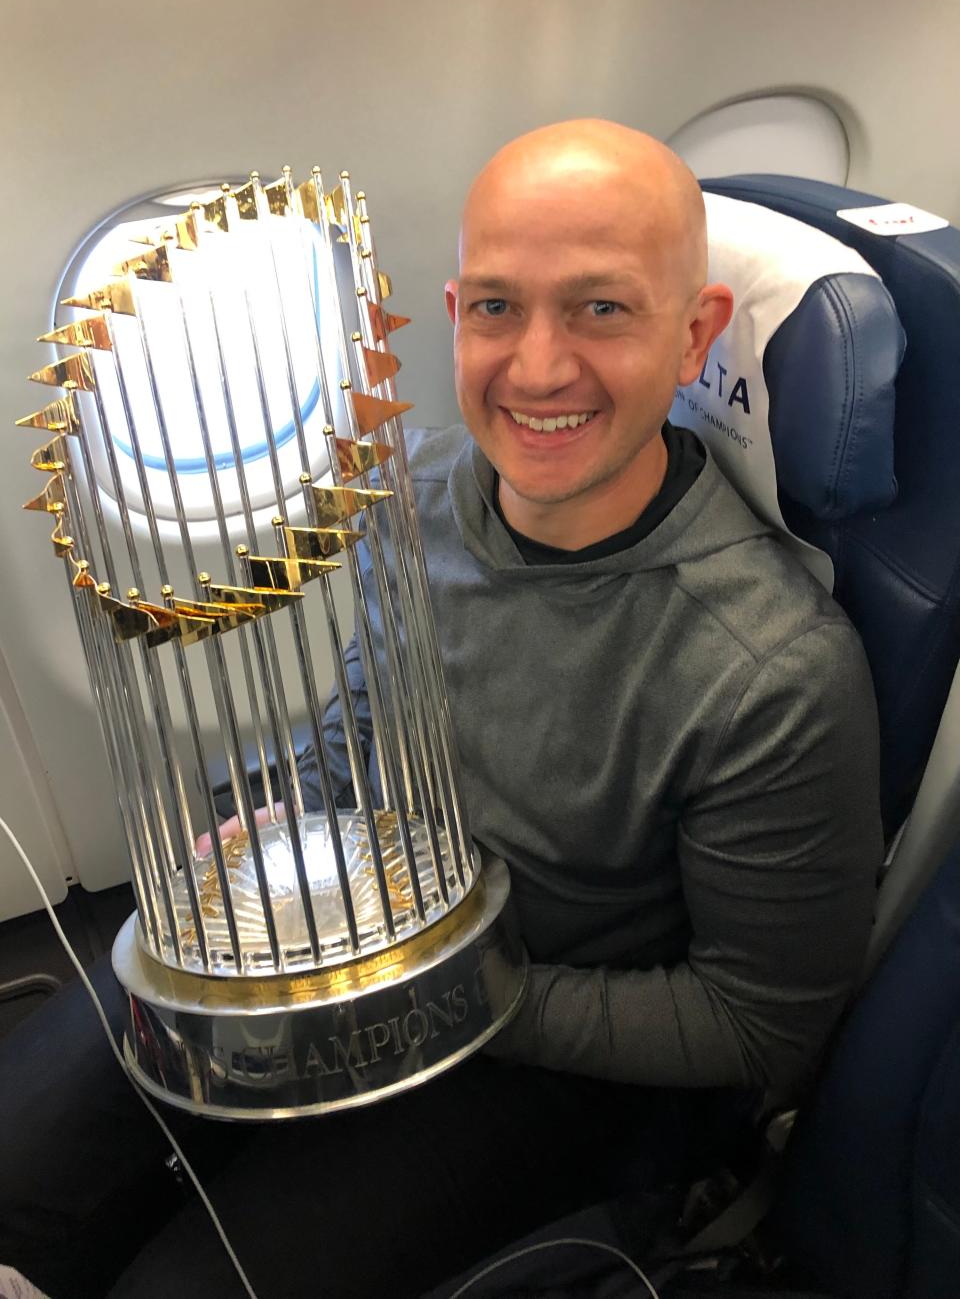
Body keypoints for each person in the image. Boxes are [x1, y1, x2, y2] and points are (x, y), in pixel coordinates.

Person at [0, 120, 882, 1299]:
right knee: (19, 1159)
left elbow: (757, 1027)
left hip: (554, 1052)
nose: (537, 368)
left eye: (602, 309)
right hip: (366, 937)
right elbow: (365, 717)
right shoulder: (413, 486)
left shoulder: (770, 668)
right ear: (457, 311)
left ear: (695, 336)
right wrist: (271, 829)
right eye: (499, 309)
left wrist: (441, 986)